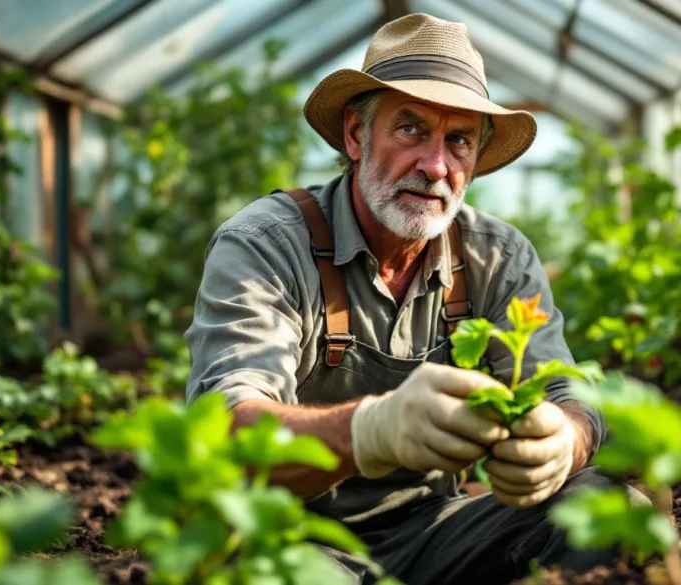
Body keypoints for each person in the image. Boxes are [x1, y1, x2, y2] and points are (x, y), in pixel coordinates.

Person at [185, 13, 629, 585]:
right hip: (286, 536)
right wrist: (372, 430)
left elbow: (566, 389)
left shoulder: (497, 256)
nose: (436, 166)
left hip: (434, 530)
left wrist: (565, 439)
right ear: (355, 134)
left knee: (606, 511)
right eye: (411, 130)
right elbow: (224, 431)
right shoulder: (267, 246)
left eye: (459, 140)